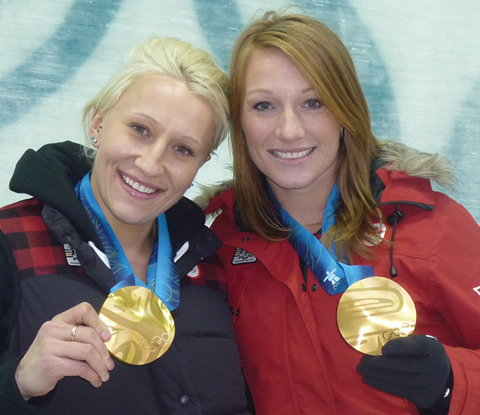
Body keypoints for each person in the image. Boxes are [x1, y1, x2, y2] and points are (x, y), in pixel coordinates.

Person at [201, 11, 480, 415]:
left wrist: (452, 382)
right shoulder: (221, 244)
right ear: (239, 122)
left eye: (313, 102)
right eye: (264, 105)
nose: (290, 130)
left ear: (345, 110)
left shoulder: (430, 228)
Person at [0, 36, 251, 415]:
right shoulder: (10, 243)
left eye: (183, 149)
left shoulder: (214, 267)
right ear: (99, 124)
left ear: (201, 165)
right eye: (140, 129)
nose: (151, 164)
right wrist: (19, 381)